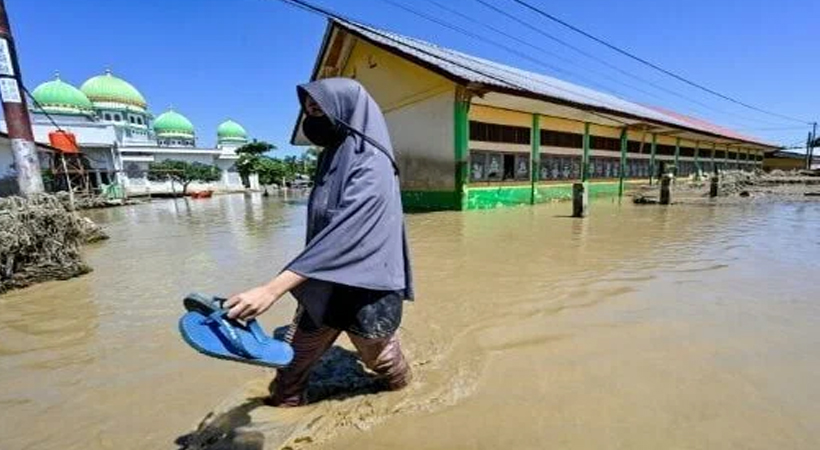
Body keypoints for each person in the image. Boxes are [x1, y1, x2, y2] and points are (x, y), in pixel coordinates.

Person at [224, 78, 414, 407]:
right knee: (291, 368)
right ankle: (283, 414)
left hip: (367, 289)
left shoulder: (372, 161)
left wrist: (272, 289)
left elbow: (346, 231)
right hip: (324, 281)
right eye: (309, 111)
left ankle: (407, 401)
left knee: (382, 362)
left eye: (320, 110)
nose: (313, 118)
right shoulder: (332, 156)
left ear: (346, 112)